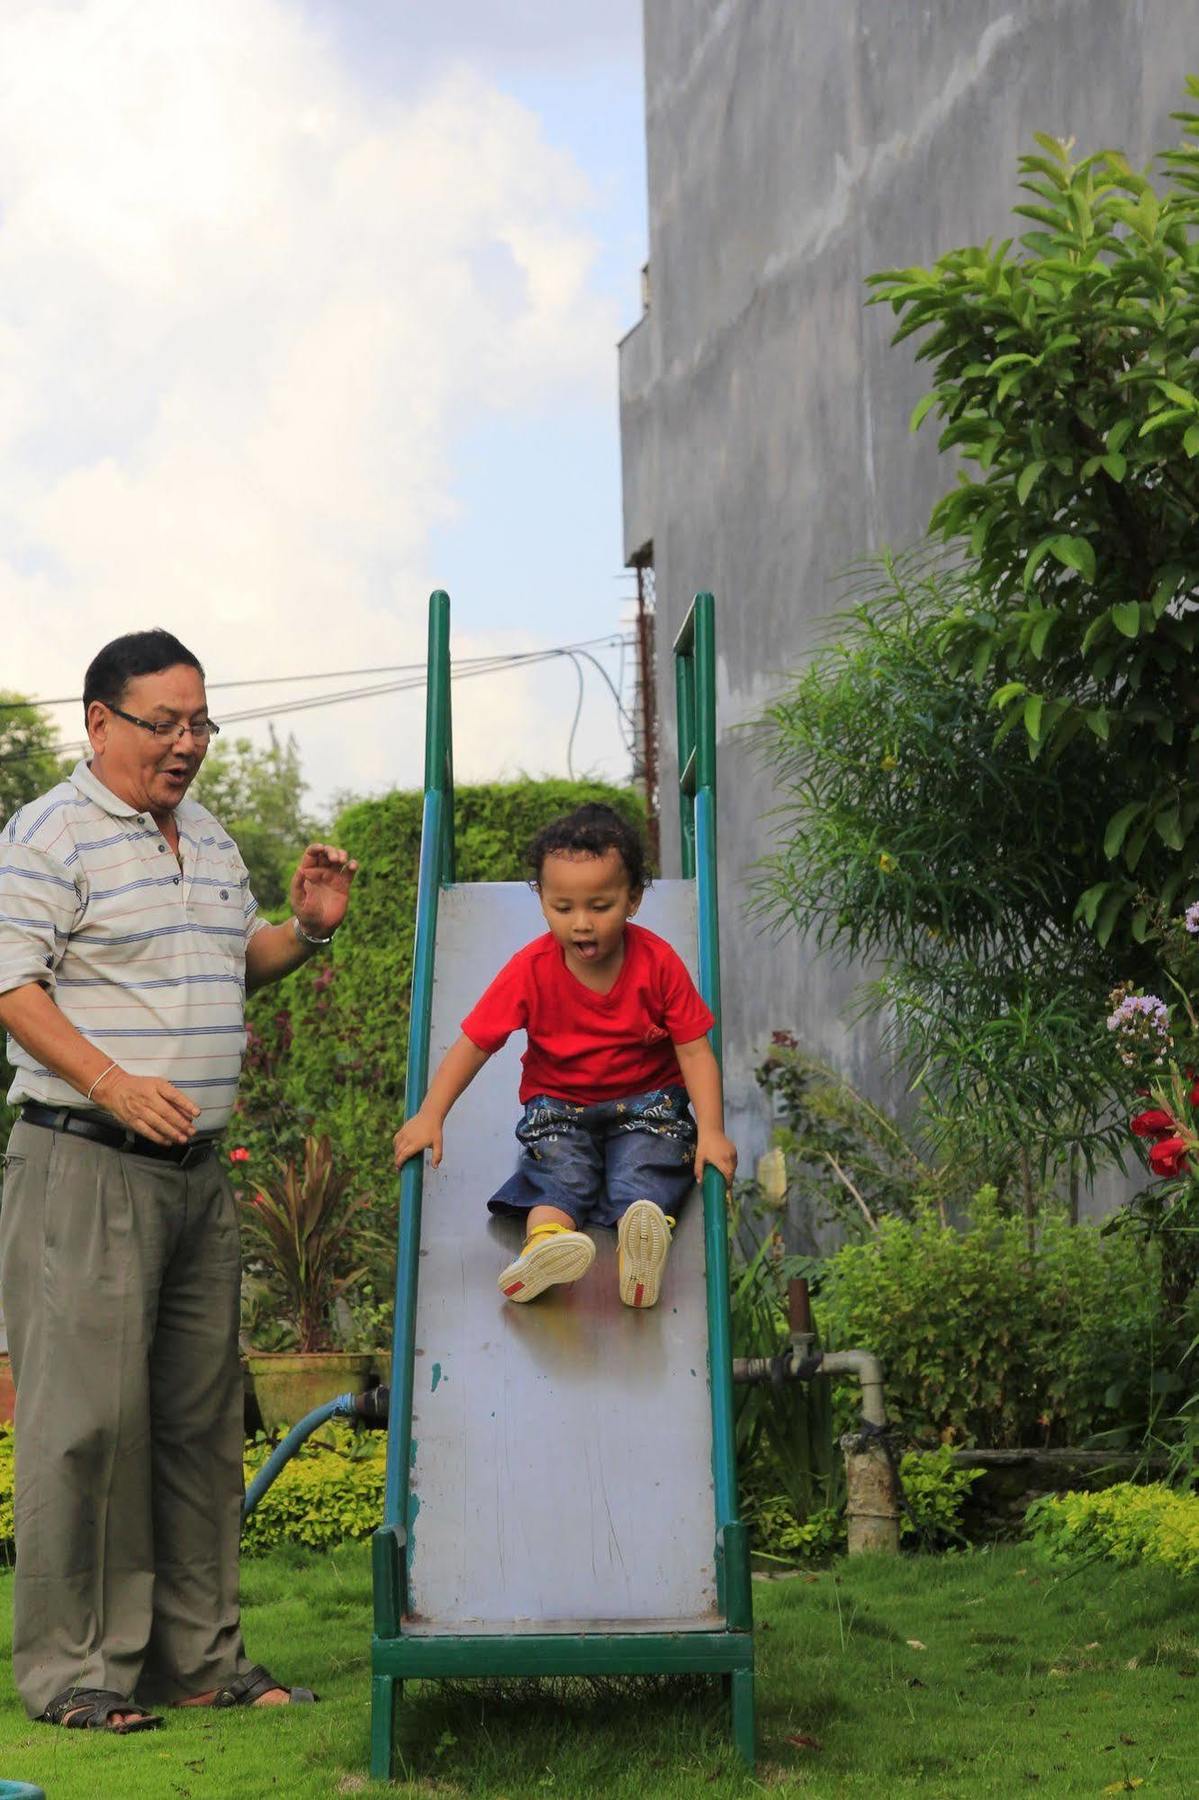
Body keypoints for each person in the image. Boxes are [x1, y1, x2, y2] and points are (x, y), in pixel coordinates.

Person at [0, 629, 358, 1733]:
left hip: (197, 1174)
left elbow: (222, 963)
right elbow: (12, 986)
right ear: (99, 721)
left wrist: (299, 931)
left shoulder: (204, 835)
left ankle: (198, 1659)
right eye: (166, 722)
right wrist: (110, 1082)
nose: (189, 744)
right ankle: (77, 1673)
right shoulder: (46, 833)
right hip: (86, 1162)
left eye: (201, 722)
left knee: (200, 1421)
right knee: (86, 1424)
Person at [392, 803, 737, 1307]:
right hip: (560, 1108)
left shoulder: (658, 963)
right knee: (558, 1175)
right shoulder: (530, 968)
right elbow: (476, 1042)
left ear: (634, 898)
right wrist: (430, 1114)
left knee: (648, 1163)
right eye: (563, 907)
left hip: (647, 1105)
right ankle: (545, 1248)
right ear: (542, 901)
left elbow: (693, 1051)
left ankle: (640, 1244)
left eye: (600, 906)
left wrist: (711, 1129)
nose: (582, 924)